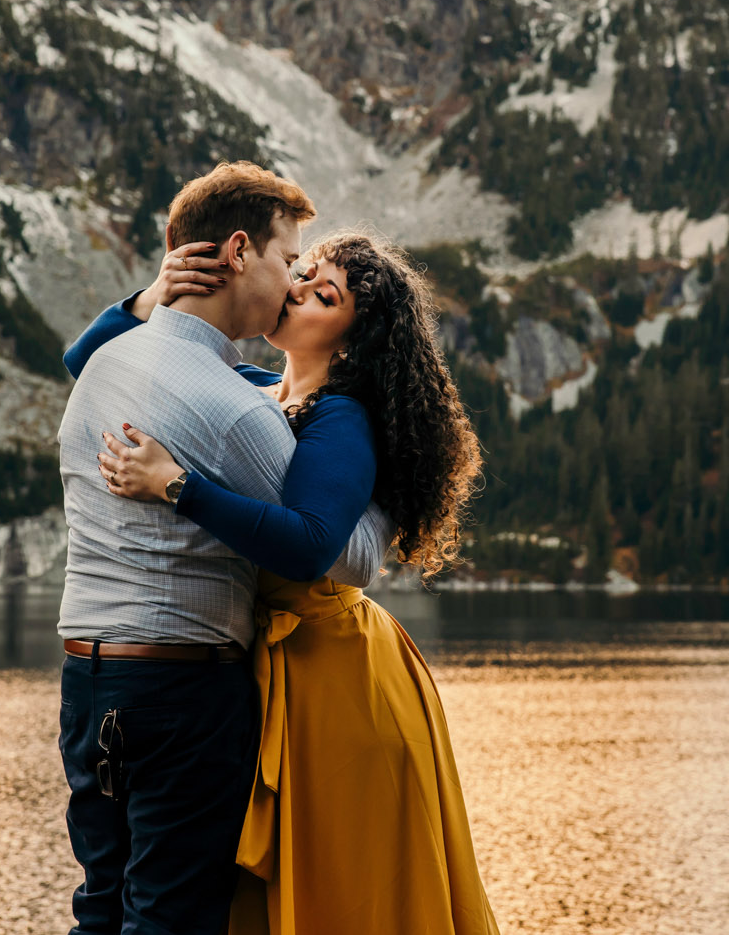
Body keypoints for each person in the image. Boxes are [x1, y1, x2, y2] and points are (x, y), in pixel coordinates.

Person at [72, 225, 500, 935]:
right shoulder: (251, 387)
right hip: (271, 669)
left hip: (338, 682)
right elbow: (88, 362)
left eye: (322, 295)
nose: (295, 290)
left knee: (347, 892)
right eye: (300, 274)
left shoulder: (342, 418)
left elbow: (307, 547)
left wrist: (176, 486)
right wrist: (153, 297)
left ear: (351, 339)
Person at [53, 161, 394, 935]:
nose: (293, 282)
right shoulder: (239, 408)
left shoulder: (112, 363)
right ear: (240, 252)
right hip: (183, 689)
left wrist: (148, 303)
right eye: (289, 262)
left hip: (86, 675)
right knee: (171, 917)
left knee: (101, 906)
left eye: (317, 285)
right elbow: (341, 555)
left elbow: (82, 359)